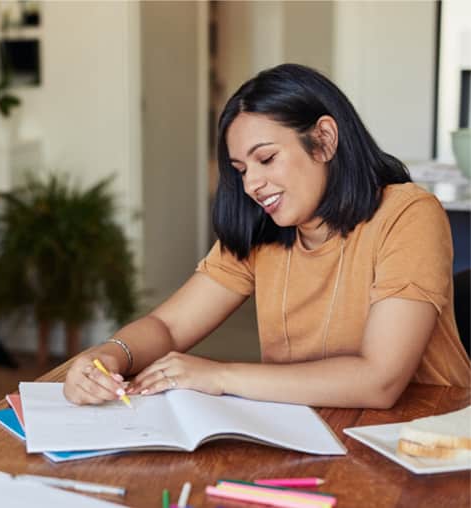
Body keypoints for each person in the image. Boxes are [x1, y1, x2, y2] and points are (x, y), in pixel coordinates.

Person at [64, 63, 471, 409]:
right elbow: (168, 327)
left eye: (266, 158)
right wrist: (110, 354)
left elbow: (379, 380)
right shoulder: (261, 229)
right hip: (304, 431)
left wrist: (219, 375)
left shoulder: (408, 214)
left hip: (419, 441)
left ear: (324, 140)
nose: (251, 185)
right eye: (241, 169)